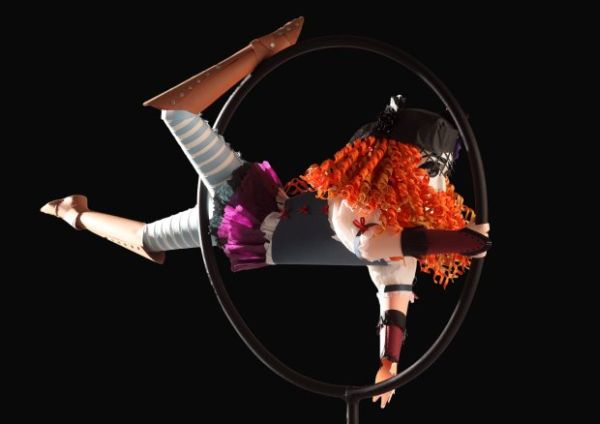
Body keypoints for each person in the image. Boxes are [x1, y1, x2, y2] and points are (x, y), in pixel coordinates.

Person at [40, 17, 491, 408]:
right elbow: (370, 244)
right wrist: (460, 242)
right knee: (175, 113)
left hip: (235, 234)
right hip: (245, 198)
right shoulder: (351, 206)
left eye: (436, 176)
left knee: (145, 241)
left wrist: (388, 362)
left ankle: (72, 214)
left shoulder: (396, 246)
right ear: (387, 163)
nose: (430, 185)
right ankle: (261, 48)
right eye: (423, 170)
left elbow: (394, 295)